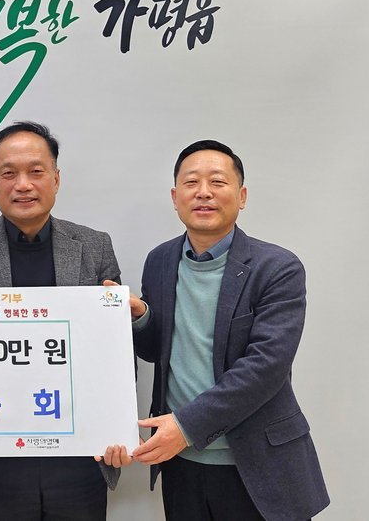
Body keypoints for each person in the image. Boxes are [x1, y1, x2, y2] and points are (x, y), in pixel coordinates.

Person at [130, 140, 329, 521]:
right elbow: (158, 351)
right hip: (182, 462)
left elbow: (265, 368)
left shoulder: (278, 268)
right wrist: (142, 317)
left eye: (217, 182)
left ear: (242, 196)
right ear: (175, 197)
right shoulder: (160, 260)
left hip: (257, 463)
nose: (203, 192)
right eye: (191, 182)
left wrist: (186, 426)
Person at [0, 121, 127, 521]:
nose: (23, 184)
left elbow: (116, 348)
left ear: (56, 179)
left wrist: (117, 427)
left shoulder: (94, 246)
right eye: (9, 173)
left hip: (80, 454)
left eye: (36, 171)